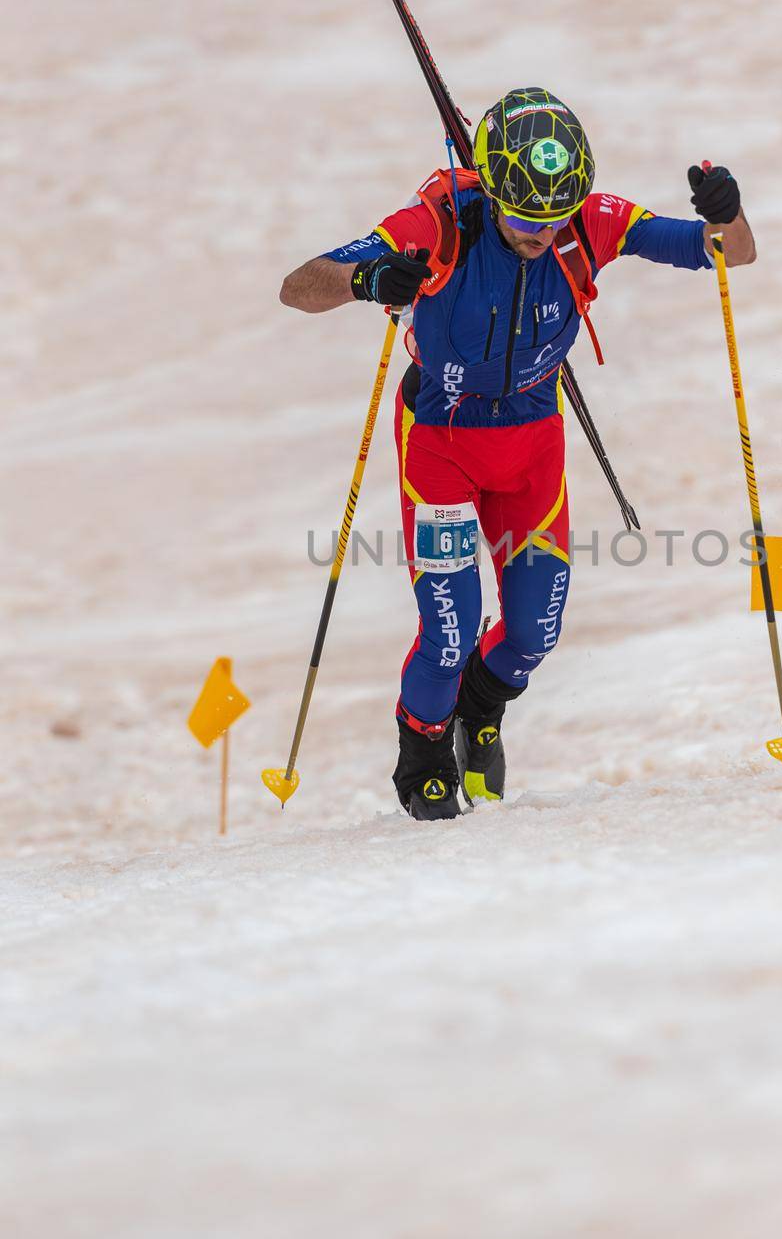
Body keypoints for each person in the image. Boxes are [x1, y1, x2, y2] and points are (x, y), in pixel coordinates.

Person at [280, 88, 755, 820]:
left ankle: (480, 705)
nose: (541, 231)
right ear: (494, 187)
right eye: (526, 216)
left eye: (554, 216)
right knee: (449, 632)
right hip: (440, 441)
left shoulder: (589, 223)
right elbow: (299, 288)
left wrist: (725, 214)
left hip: (532, 445)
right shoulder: (437, 223)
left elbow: (727, 254)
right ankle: (425, 746)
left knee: (535, 633)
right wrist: (369, 279)